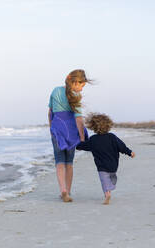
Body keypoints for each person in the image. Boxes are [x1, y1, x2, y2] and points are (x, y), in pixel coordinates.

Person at [48, 69, 90, 202]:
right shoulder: (75, 97)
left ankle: (63, 191)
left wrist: (51, 128)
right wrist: (82, 138)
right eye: (80, 86)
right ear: (73, 82)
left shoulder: (55, 91)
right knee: (69, 163)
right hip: (71, 131)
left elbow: (50, 112)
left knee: (59, 162)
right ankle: (68, 191)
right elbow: (78, 119)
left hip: (57, 129)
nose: (81, 90)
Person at [76, 113, 135, 205]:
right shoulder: (112, 137)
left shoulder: (93, 139)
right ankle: (108, 193)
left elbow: (83, 146)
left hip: (101, 166)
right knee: (112, 178)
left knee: (104, 180)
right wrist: (129, 152)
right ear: (108, 125)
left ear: (93, 127)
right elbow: (121, 147)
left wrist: (77, 145)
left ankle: (107, 193)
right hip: (113, 165)